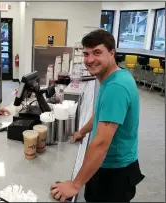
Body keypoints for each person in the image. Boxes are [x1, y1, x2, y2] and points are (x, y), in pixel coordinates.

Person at [50, 29, 145, 202]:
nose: (90, 60)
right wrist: (82, 132)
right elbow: (101, 114)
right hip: (112, 164)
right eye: (86, 54)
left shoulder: (115, 88)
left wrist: (74, 185)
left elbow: (101, 143)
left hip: (114, 172)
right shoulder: (115, 76)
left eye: (97, 52)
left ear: (112, 53)